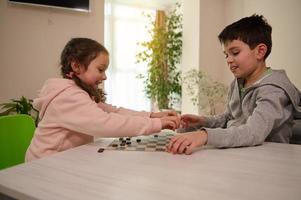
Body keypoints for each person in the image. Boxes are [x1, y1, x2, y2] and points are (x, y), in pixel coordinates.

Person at [26, 38, 180, 161]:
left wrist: (152, 116)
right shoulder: (68, 97)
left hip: (64, 160)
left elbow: (114, 111)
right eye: (100, 70)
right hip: (44, 165)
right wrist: (157, 124)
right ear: (76, 66)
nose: (105, 76)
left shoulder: (78, 93)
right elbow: (106, 123)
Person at [167, 14, 301, 155]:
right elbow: (230, 118)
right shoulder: (238, 83)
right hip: (240, 153)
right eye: (226, 55)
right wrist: (203, 121)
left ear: (260, 51)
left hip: (267, 158)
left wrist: (205, 135)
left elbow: (253, 132)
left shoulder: (273, 91)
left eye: (235, 53)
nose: (229, 60)